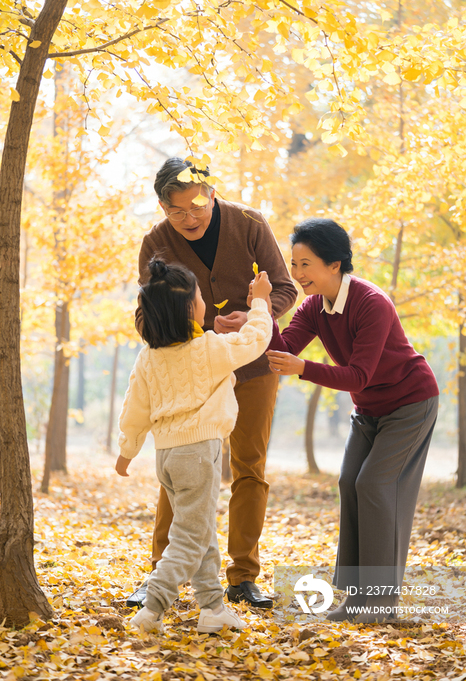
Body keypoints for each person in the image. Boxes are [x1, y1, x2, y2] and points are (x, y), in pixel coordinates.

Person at [127, 157, 297, 610]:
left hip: (254, 365)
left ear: (212, 194)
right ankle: (161, 572)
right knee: (180, 468)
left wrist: (257, 314)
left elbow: (285, 287)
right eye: (177, 211)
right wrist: (195, 332)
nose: (190, 218)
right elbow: (147, 316)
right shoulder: (155, 243)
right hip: (190, 372)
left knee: (249, 467)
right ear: (163, 207)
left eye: (197, 206)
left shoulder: (249, 223)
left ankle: (243, 576)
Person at [264, 218, 439, 623]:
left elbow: (358, 374)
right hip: (369, 409)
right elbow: (283, 350)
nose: (297, 273)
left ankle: (380, 604)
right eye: (294, 264)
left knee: (374, 485)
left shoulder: (371, 303)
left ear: (335, 264)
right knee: (349, 482)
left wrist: (302, 367)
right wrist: (262, 308)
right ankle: (358, 600)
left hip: (410, 402)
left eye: (306, 264)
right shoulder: (313, 306)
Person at [116, 258, 273, 633]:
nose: (204, 298)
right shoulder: (210, 349)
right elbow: (257, 338)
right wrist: (260, 303)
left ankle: (213, 608)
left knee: (199, 532)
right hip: (199, 455)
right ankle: (150, 610)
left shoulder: (149, 358)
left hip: (167, 456)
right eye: (199, 294)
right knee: (188, 539)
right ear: (191, 308)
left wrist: (127, 450)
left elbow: (134, 407)